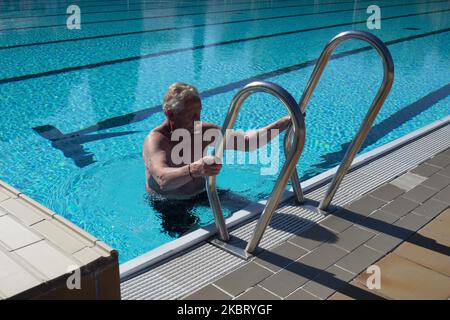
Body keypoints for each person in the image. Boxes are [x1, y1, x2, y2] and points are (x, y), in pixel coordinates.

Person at [143, 82, 291, 200]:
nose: (198, 120)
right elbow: (163, 180)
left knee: (252, 209)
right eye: (191, 115)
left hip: (202, 193)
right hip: (170, 202)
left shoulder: (202, 130)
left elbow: (247, 143)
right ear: (170, 114)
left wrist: (284, 122)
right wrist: (195, 169)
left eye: (199, 113)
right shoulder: (156, 140)